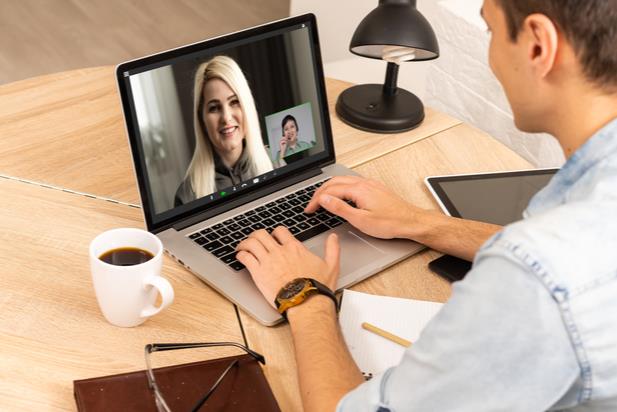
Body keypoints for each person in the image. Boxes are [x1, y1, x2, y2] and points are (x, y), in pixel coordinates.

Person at [236, 0, 617, 411]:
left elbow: (544, 272)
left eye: (490, 30)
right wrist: (419, 223)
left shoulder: (534, 280)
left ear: (539, 47)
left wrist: (305, 294)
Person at [175, 55, 273, 206]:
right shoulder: (187, 195)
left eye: (234, 102)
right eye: (214, 108)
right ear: (201, 119)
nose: (226, 118)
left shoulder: (275, 162)